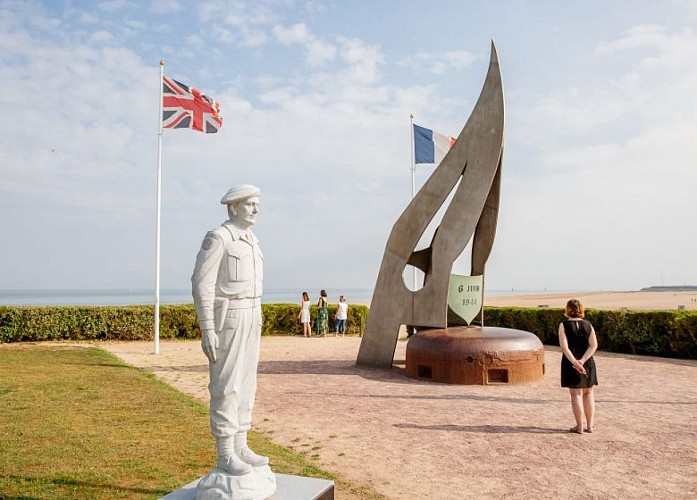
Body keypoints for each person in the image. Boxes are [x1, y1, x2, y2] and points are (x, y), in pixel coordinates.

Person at [191, 184, 269, 475]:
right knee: (227, 384)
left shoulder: (252, 240)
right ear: (233, 207)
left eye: (257, 204)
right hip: (230, 317)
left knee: (247, 382)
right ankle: (225, 452)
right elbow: (202, 284)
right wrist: (207, 328)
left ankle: (241, 444)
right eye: (250, 204)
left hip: (253, 314)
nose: (256, 209)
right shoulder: (219, 238)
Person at [558, 299, 598, 434]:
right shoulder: (588, 325)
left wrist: (575, 363)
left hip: (571, 362)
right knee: (589, 393)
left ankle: (579, 426)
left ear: (567, 310)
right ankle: (590, 426)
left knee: (576, 394)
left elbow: (565, 347)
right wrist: (583, 361)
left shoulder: (563, 325)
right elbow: (593, 345)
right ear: (581, 309)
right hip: (588, 362)